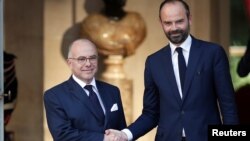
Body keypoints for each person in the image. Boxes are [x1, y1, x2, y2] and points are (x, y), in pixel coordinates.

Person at [106, 0, 239, 141]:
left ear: (190, 19)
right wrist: (125, 134)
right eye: (168, 23)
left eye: (179, 21)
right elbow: (151, 114)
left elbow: (228, 106)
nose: (174, 28)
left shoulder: (213, 53)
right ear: (161, 23)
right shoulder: (153, 62)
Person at [43, 38, 127, 141]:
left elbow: (121, 131)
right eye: (81, 59)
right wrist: (103, 138)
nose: (88, 64)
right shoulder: (54, 96)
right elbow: (63, 135)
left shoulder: (112, 91)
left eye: (92, 58)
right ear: (70, 63)